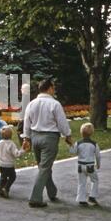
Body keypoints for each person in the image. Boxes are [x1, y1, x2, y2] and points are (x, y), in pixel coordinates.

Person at [22, 78, 73, 208]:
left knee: (43, 167)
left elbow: (26, 122)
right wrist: (67, 135)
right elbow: (62, 122)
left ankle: (52, 191)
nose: (54, 90)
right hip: (49, 138)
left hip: (35, 137)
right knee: (44, 168)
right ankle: (35, 198)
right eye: (53, 87)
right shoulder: (54, 104)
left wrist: (26, 138)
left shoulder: (31, 104)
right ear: (49, 88)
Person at [69, 123, 101, 206]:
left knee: (81, 182)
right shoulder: (94, 144)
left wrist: (70, 144)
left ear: (81, 132)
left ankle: (81, 199)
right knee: (95, 180)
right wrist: (98, 164)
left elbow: (73, 152)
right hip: (90, 166)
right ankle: (92, 196)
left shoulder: (78, 143)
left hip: (80, 166)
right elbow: (98, 155)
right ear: (92, 133)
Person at [0, 126, 27, 198]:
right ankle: (6, 188)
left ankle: (1, 190)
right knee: (12, 177)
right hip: (9, 165)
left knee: (3, 178)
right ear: (11, 135)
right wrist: (23, 150)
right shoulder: (11, 144)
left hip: (1, 164)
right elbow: (16, 154)